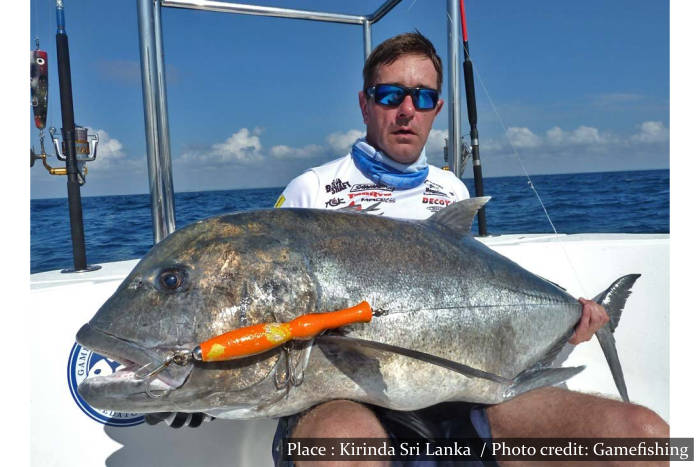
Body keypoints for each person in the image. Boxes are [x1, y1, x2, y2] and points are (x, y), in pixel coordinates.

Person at [272, 32, 668, 466]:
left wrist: (568, 322)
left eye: (423, 98)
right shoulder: (311, 190)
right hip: (347, 398)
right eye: (390, 95)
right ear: (365, 104)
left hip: (465, 394)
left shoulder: (450, 190)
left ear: (437, 109)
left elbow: (473, 299)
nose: (407, 110)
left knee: (642, 436)